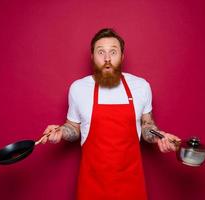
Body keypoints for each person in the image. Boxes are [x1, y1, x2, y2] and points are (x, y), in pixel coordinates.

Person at [41, 28, 181, 200]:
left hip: (131, 184)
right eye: (101, 52)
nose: (107, 58)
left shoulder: (141, 86)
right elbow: (73, 127)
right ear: (92, 57)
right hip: (91, 185)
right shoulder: (78, 88)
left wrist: (159, 136)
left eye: (113, 52)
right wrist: (61, 132)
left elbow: (147, 125)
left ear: (122, 57)